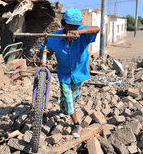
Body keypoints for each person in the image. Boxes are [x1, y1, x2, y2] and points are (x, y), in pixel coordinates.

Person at [40, 7, 100, 138]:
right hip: (64, 73)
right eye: (70, 25)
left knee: (73, 97)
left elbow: (96, 28)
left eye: (75, 26)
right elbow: (44, 47)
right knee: (68, 98)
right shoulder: (55, 37)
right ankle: (76, 124)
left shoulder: (84, 35)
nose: (72, 28)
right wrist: (45, 55)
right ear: (63, 24)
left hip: (79, 73)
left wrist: (80, 31)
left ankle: (62, 109)